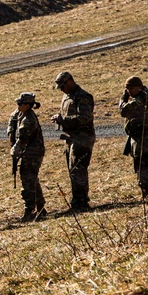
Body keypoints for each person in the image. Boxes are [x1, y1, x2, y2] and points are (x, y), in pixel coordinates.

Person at [51, 71, 95, 211]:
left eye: (63, 86)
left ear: (69, 82)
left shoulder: (83, 97)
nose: (62, 90)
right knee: (72, 170)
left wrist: (63, 120)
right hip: (71, 138)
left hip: (82, 138)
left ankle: (81, 201)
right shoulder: (67, 96)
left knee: (78, 170)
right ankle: (77, 200)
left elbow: (84, 118)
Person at [119, 75, 148, 198]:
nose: (129, 93)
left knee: (142, 164)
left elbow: (123, 111)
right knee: (140, 163)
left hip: (144, 136)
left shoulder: (143, 97)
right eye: (127, 90)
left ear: (138, 88)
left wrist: (123, 98)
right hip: (138, 135)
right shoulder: (144, 94)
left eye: (131, 90)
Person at [11, 92, 46, 221]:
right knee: (33, 180)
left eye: (20, 103)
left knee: (28, 182)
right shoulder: (23, 115)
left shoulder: (28, 120)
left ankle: (30, 210)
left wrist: (14, 151)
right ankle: (40, 207)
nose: (18, 106)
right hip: (31, 153)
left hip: (32, 154)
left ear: (27, 105)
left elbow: (22, 139)